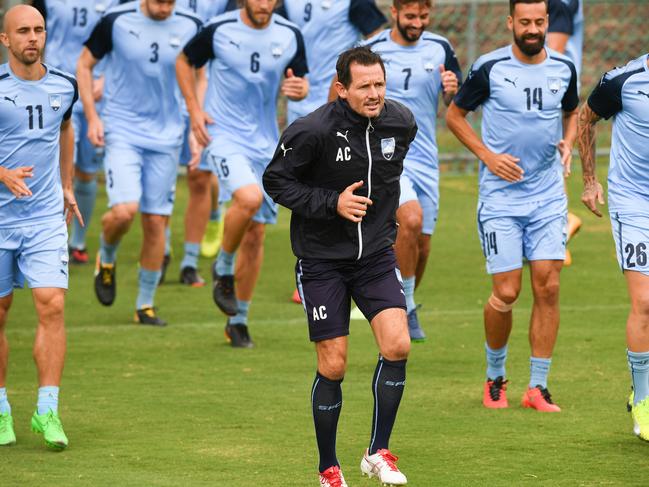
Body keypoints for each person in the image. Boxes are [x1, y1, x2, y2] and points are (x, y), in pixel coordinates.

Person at [264, 46, 416, 487]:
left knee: (398, 345)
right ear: (341, 89)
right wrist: (332, 202)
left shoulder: (400, 121)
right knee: (334, 366)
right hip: (321, 262)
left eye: (379, 84)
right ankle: (328, 467)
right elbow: (275, 180)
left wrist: (386, 217)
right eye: (364, 86)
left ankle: (377, 452)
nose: (374, 94)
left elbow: (389, 173)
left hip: (375, 257)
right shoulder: (311, 130)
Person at [446, 0, 578, 412]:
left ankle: (537, 386)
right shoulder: (489, 68)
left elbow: (574, 112)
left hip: (547, 194)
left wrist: (569, 144)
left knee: (549, 286)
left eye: (540, 21)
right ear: (510, 23)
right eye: (525, 22)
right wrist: (486, 155)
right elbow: (455, 116)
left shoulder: (564, 68)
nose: (533, 28)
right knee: (506, 291)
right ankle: (494, 377)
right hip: (501, 197)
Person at [177, 0, 308, 347]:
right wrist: (194, 111)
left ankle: (239, 320)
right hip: (221, 135)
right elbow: (184, 61)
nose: (264, 4)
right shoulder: (219, 29)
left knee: (256, 235)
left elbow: (301, 81)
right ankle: (222, 266)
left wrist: (300, 90)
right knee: (248, 198)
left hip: (266, 143)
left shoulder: (290, 34)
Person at [77, 0, 202, 325]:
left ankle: (144, 305)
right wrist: (92, 117)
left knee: (155, 222)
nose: (165, 7)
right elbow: (84, 65)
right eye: (159, 1)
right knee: (124, 211)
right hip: (123, 130)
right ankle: (106, 256)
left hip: (167, 135)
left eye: (171, 2)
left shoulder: (191, 23)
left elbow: (200, 73)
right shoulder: (116, 20)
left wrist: (195, 120)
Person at [0, 4, 82, 449]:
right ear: (5, 40)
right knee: (1, 312)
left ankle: (47, 411)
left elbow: (65, 130)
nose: (33, 37)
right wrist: (2, 173)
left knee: (51, 305)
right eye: (23, 31)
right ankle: (0, 411)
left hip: (45, 218)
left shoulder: (64, 86)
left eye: (39, 30)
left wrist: (67, 186)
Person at [360, 0, 461, 341]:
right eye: (411, 16)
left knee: (423, 244)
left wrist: (452, 92)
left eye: (423, 16)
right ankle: (403, 308)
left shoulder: (440, 47)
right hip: (386, 157)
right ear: (395, 12)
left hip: (425, 157)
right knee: (411, 220)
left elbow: (454, 103)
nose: (417, 22)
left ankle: (404, 298)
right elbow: (341, 95)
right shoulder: (372, 49)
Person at [277, 0, 386, 305]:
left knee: (347, 188)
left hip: (343, 103)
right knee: (308, 188)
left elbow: (375, 39)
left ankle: (355, 272)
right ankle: (310, 270)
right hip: (302, 105)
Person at [577, 53, 649, 440]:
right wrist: (591, 180)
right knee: (645, 302)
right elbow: (584, 118)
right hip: (634, 202)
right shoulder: (623, 81)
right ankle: (643, 400)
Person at [31, 0, 116, 265]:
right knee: (58, 169)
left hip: (96, 94)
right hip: (56, 90)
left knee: (87, 173)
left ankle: (77, 242)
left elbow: (123, 41)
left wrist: (107, 78)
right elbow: (35, 33)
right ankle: (53, 238)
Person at [160, 0, 233, 287]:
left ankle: (189, 261)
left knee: (200, 177)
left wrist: (198, 112)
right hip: (160, 104)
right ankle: (162, 251)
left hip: (206, 94)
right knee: (160, 181)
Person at [547, 0, 584, 265]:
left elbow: (554, 51)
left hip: (553, 90)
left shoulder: (559, 2)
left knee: (551, 158)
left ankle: (559, 230)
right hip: (554, 88)